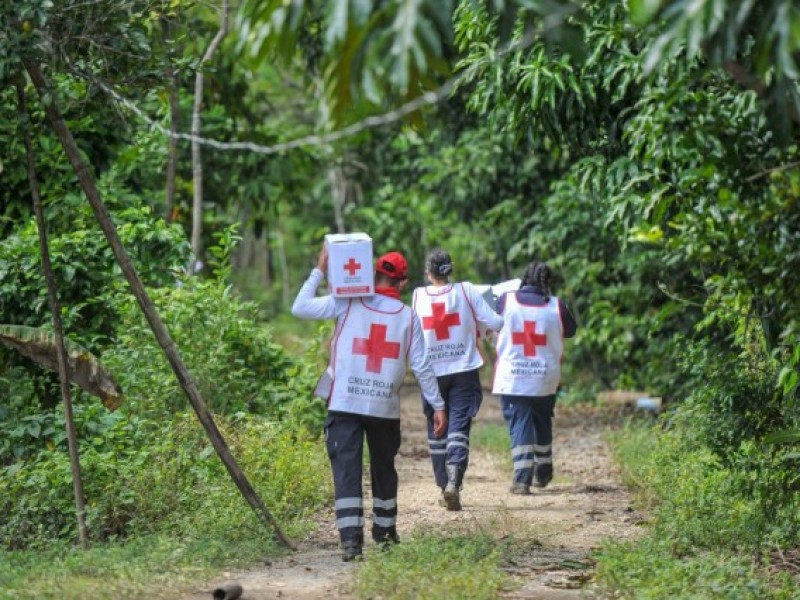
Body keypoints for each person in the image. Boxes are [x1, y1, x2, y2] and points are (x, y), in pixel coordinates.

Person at [291, 244, 447, 561]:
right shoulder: (407, 316)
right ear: (403, 283)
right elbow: (422, 365)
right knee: (384, 469)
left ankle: (351, 542)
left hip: (345, 403)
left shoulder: (347, 302)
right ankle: (386, 534)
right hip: (382, 407)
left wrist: (320, 269)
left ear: (373, 273)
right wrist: (438, 405)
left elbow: (300, 307)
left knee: (346, 469)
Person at [412, 248, 504, 511]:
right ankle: (454, 480)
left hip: (431, 372)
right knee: (459, 426)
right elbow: (495, 322)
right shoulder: (467, 291)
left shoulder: (418, 296)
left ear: (428, 273)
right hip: (463, 370)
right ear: (450, 270)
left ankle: (444, 487)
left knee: (437, 427)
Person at [492, 261, 577, 495]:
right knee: (542, 420)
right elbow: (570, 330)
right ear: (547, 283)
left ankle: (522, 479)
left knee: (520, 422)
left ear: (523, 280)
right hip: (544, 376)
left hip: (513, 376)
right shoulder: (557, 306)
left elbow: (491, 323)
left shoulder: (506, 301)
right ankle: (544, 469)